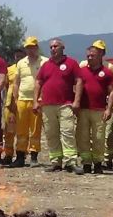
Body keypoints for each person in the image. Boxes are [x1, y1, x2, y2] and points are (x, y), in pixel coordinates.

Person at [33, 38, 84, 174]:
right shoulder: (46, 65)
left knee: (67, 133)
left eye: (56, 46)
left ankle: (71, 162)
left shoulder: (71, 63)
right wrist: (35, 101)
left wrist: (77, 101)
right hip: (47, 105)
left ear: (63, 47)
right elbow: (38, 82)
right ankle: (56, 161)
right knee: (51, 134)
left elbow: (79, 81)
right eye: (51, 47)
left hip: (65, 104)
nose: (53, 49)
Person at [77, 46, 113, 174]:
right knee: (83, 137)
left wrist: (109, 109)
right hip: (83, 109)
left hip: (99, 110)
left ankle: (98, 163)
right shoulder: (81, 71)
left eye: (92, 55)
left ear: (100, 56)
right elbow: (75, 88)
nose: (89, 58)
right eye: (88, 55)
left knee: (99, 137)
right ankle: (86, 163)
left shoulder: (107, 72)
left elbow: (111, 92)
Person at [11, 36, 48, 168]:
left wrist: (40, 98)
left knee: (35, 129)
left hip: (36, 101)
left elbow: (46, 83)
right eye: (28, 48)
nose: (30, 50)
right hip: (22, 100)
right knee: (21, 130)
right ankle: (20, 156)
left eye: (32, 47)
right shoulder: (21, 63)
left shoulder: (45, 62)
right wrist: (15, 99)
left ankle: (33, 157)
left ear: (37, 48)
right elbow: (16, 83)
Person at [2, 48, 26, 165]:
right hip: (10, 105)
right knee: (8, 131)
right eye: (17, 56)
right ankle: (8, 155)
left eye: (21, 56)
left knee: (21, 131)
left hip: (22, 103)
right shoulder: (9, 69)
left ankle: (21, 156)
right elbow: (6, 85)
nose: (18, 58)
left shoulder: (27, 69)